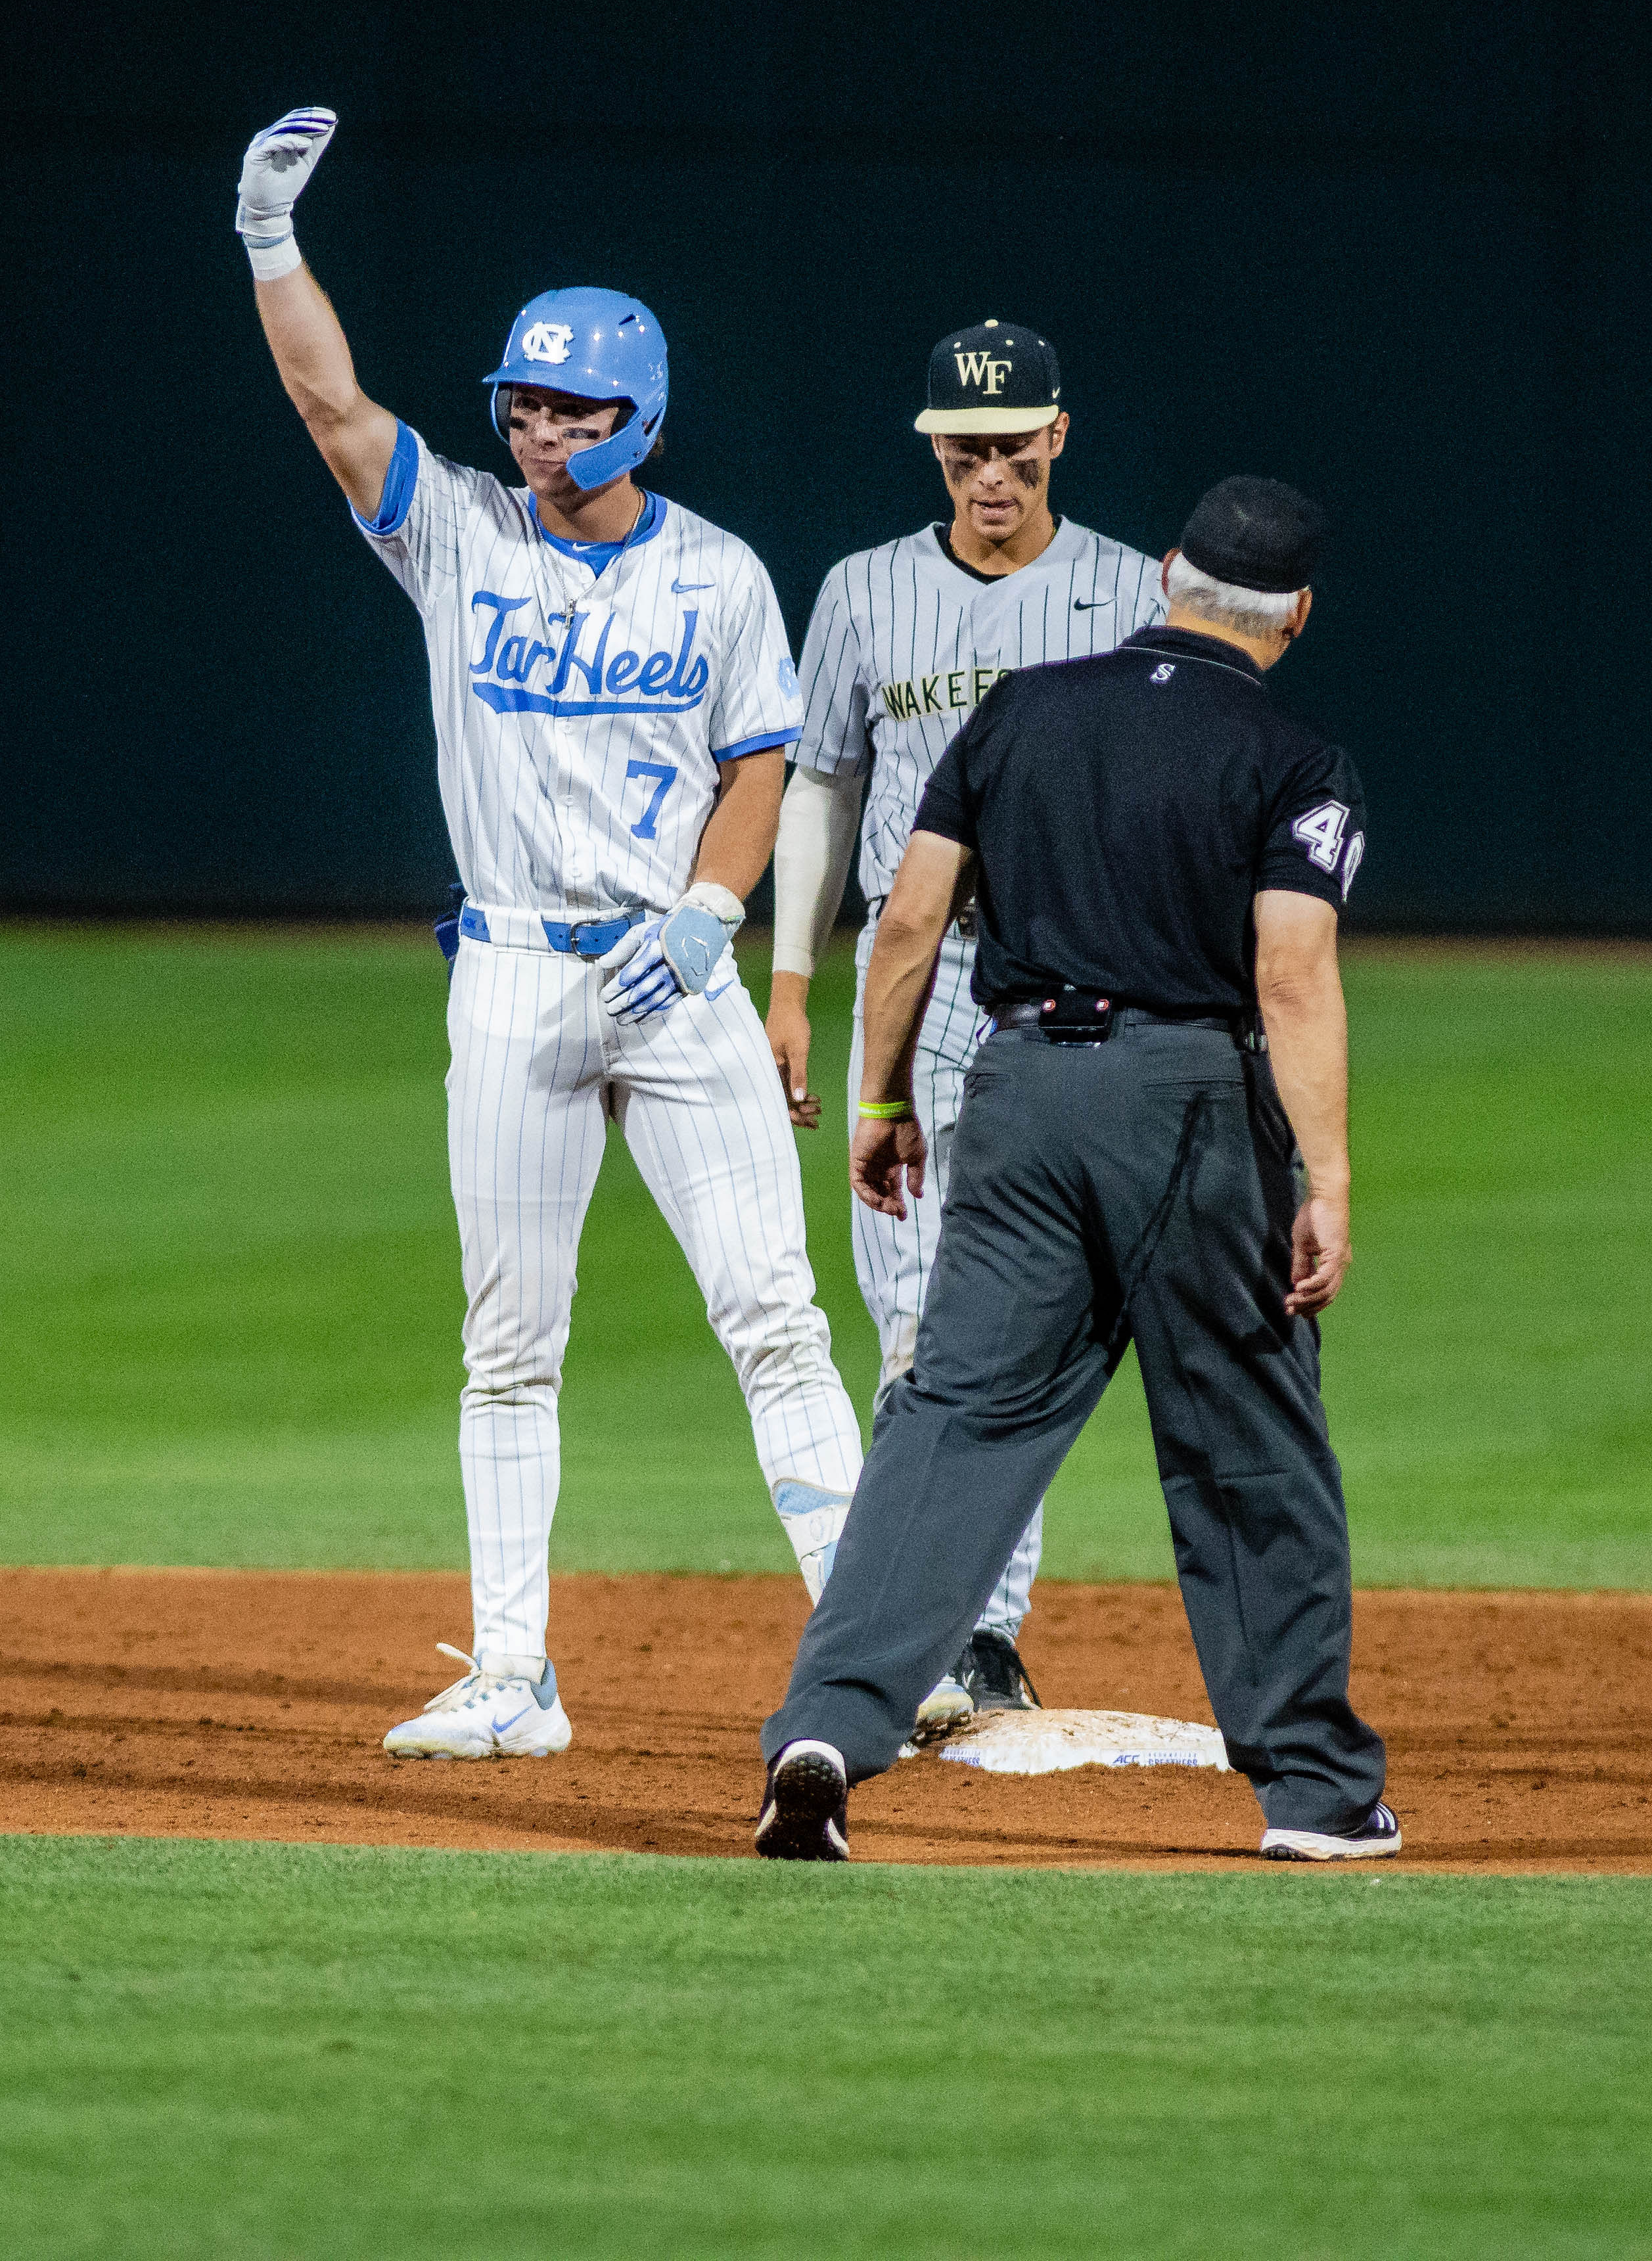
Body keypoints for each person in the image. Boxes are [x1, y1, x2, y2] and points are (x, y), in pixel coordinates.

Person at [236, 105, 862, 1759]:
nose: (533, 426)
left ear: (637, 412)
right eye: (519, 397)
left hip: (678, 977)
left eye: (568, 403)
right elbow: (327, 401)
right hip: (513, 970)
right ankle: (513, 1676)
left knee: (776, 1313)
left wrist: (715, 914)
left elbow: (762, 762)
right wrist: (267, 243)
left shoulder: (719, 574)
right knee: (508, 1342)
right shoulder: (458, 531)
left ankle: (880, 1648)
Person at [750, 476, 1392, 1864]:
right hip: (1188, 1104)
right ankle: (1318, 1795)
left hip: (1016, 1088)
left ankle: (824, 1724)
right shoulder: (1298, 758)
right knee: (1247, 1442)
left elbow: (911, 914)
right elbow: (1291, 972)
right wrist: (1325, 1175)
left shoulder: (1019, 708)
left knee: (950, 1420)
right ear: (1299, 613)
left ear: (1168, 574)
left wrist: (880, 1094)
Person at [768, 321, 1168, 1741]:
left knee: (1029, 1314)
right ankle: (951, 1627)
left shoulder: (1133, 589)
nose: (989, 471)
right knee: (918, 1319)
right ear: (932, 445)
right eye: (964, 446)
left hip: (1080, 979)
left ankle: (976, 1627)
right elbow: (820, 784)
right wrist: (795, 983)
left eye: (1014, 443)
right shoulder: (867, 589)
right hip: (914, 979)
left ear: (1058, 435)